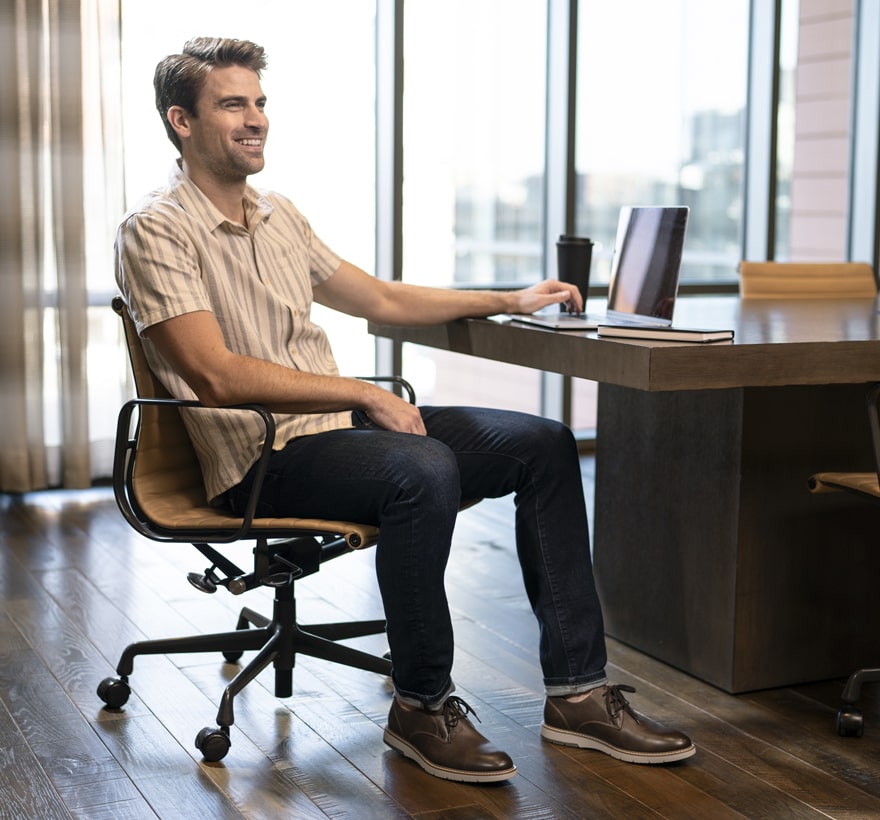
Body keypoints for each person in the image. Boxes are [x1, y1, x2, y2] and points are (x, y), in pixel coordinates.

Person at [114, 36, 695, 784]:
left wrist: (510, 297)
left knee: (544, 444)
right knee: (421, 467)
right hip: (259, 456)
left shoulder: (277, 215)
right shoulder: (156, 228)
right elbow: (215, 375)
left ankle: (579, 693)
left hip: (336, 435)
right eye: (233, 104)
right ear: (181, 121)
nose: (255, 118)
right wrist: (362, 392)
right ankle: (421, 706)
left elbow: (382, 298)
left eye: (259, 102)